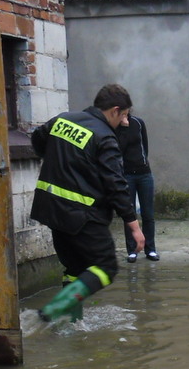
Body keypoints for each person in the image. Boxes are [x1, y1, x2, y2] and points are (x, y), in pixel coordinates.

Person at [31, 84, 145, 322]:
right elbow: (116, 185)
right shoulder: (104, 137)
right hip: (82, 216)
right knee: (106, 267)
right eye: (124, 115)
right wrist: (133, 226)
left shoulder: (62, 120)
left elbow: (37, 138)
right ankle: (52, 312)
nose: (125, 122)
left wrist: (55, 160)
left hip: (52, 210)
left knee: (75, 269)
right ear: (114, 110)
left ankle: (69, 326)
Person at [118, 113, 159, 262]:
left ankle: (151, 249)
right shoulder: (115, 127)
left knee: (148, 213)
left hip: (144, 174)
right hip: (127, 175)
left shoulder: (138, 122)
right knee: (129, 213)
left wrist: (143, 164)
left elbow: (144, 147)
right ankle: (132, 250)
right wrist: (123, 128)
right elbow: (119, 148)